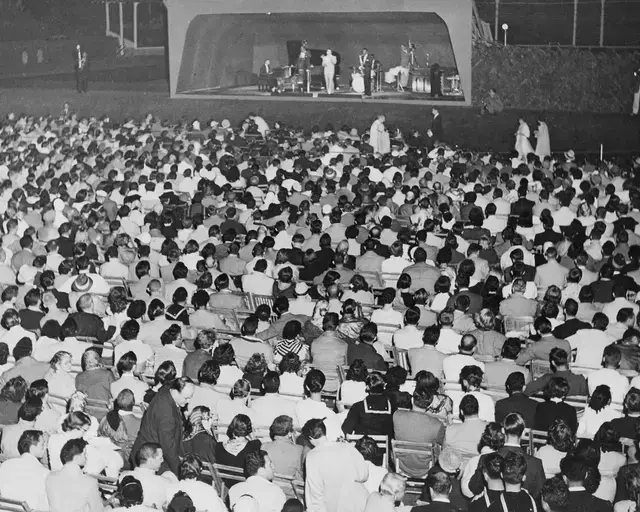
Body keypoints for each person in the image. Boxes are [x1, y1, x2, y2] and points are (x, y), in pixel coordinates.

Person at [131, 377, 195, 476]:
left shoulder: (167, 390)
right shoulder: (167, 414)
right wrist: (180, 472)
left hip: (151, 447)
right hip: (149, 459)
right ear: (175, 391)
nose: (188, 401)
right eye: (186, 398)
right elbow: (168, 449)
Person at [304, 418, 369, 512]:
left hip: (333, 506)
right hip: (358, 505)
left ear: (310, 438)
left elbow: (314, 493)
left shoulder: (312, 456)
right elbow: (364, 475)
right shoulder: (347, 446)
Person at [46, 437, 104, 512]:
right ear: (76, 458)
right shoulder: (89, 482)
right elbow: (98, 510)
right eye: (84, 454)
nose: (86, 457)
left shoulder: (50, 477)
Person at [0, 429, 50, 511]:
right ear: (32, 448)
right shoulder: (44, 473)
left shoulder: (5, 465)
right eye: (42, 444)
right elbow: (44, 506)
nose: (45, 447)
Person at [120, 443, 177, 510]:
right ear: (150, 460)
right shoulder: (165, 482)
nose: (163, 460)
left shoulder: (123, 475)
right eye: (160, 458)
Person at [262, 415, 304, 479]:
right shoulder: (299, 449)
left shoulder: (264, 446)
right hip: (288, 487)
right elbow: (302, 474)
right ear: (289, 433)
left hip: (269, 484)